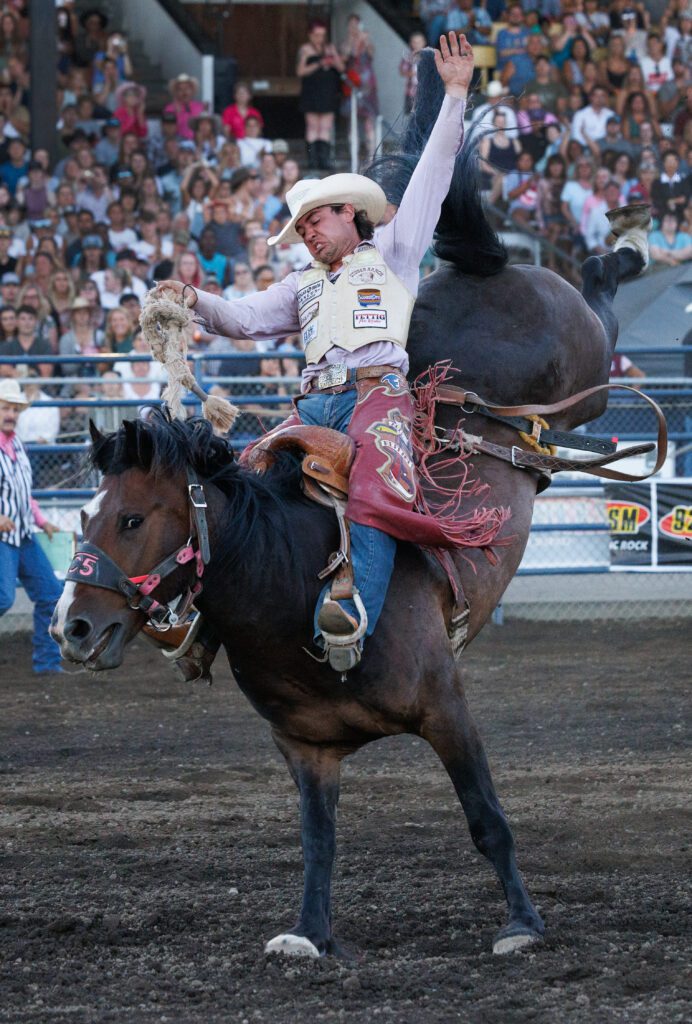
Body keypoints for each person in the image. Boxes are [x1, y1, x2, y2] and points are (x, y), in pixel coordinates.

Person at [156, 32, 475, 674]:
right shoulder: (300, 284)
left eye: (314, 221)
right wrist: (191, 298)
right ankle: (206, 617)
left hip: (377, 396)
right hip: (314, 404)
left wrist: (456, 97)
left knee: (378, 484)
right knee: (243, 482)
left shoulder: (394, 252)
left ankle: (353, 612)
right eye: (300, 228)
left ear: (349, 214)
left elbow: (434, 172)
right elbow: (242, 319)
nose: (306, 233)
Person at [0, 377, 63, 674]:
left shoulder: (18, 446)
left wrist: (42, 521)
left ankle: (49, 664)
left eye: (14, 409)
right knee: (3, 598)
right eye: (5, 408)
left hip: (23, 534)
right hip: (3, 537)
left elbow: (24, 493)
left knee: (51, 594)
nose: (10, 414)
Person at [297, 19, 344, 170]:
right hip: (311, 92)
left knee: (325, 127)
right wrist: (319, 63)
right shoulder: (305, 49)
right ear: (310, 35)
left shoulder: (330, 47)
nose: (320, 38)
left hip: (327, 92)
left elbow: (341, 68)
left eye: (322, 35)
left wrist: (333, 58)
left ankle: (324, 160)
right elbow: (300, 71)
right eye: (317, 35)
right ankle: (312, 160)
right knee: (312, 126)